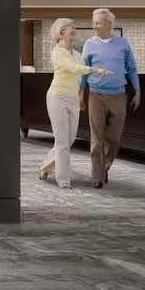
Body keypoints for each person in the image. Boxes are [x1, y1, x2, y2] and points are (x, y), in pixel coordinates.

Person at [37, 19, 110, 188]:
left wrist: (83, 95)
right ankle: (63, 179)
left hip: (73, 99)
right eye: (72, 28)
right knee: (62, 140)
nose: (75, 30)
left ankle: (45, 167)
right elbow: (73, 68)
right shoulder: (57, 52)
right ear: (62, 32)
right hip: (57, 97)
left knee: (68, 140)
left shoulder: (77, 54)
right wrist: (94, 69)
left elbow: (82, 75)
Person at [80, 8, 141, 189]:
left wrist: (138, 91)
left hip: (118, 95)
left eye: (98, 22)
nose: (94, 26)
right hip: (95, 95)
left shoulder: (122, 44)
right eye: (94, 23)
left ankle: (105, 166)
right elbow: (84, 71)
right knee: (96, 138)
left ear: (109, 24)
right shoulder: (89, 44)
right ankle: (97, 176)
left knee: (114, 138)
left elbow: (132, 69)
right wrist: (81, 94)